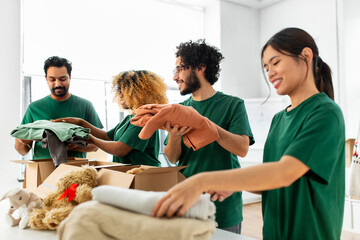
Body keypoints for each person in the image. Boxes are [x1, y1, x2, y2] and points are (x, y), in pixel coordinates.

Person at [153, 28, 345, 240]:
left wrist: (201, 181)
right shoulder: (279, 119)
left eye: (276, 62)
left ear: (306, 56)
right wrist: (229, 185)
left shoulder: (325, 113)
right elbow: (272, 180)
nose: (270, 72)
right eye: (266, 66)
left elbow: (284, 172)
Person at [162, 39, 255, 233]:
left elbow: (242, 148)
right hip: (188, 201)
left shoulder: (233, 105)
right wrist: (174, 136)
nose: (175, 77)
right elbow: (171, 157)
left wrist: (208, 126)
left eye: (180, 69)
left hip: (223, 204)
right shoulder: (180, 110)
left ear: (200, 68)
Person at [54, 70, 168, 166]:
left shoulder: (144, 118)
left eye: (125, 91)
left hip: (144, 177)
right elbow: (107, 137)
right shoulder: (130, 117)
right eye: (120, 90)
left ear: (139, 93)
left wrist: (91, 139)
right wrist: (81, 122)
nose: (120, 95)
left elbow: (119, 150)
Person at [14, 56, 103, 159]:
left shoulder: (85, 106)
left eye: (62, 79)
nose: (57, 84)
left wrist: (75, 146)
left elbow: (96, 145)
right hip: (43, 170)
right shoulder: (34, 108)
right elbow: (21, 150)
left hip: (75, 170)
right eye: (52, 79)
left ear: (70, 76)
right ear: (46, 79)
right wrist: (24, 142)